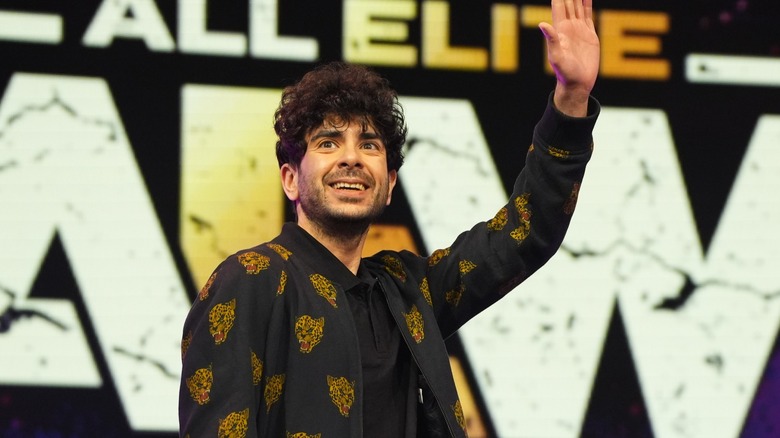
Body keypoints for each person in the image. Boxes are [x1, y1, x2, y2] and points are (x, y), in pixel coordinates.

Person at [178, 0, 600, 435]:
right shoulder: (251, 278)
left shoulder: (408, 291)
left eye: (370, 145)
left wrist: (571, 98)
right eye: (327, 143)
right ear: (290, 178)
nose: (351, 159)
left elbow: (523, 234)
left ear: (390, 181)